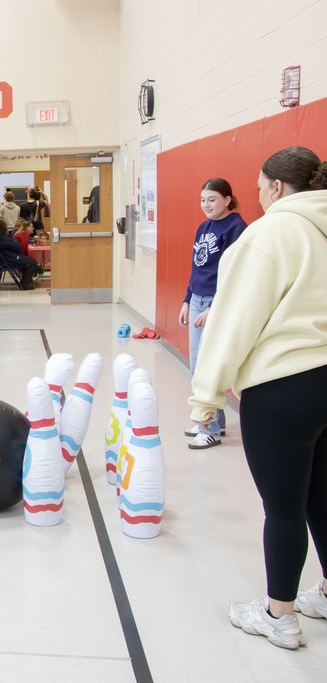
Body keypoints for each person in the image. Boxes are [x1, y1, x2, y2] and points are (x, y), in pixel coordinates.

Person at [189, 146, 327, 651]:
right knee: (321, 495)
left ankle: (280, 616)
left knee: (285, 505)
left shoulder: (268, 233)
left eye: (257, 186)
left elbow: (232, 322)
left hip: (283, 385)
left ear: (274, 187)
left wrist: (205, 397)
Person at [177, 178, 247, 450]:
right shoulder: (204, 227)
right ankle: (213, 420)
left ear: (227, 200)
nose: (206, 205)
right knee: (197, 365)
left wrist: (213, 306)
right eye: (203, 200)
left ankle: (212, 430)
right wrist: (187, 299)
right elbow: (197, 268)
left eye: (213, 199)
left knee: (208, 366)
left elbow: (234, 274)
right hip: (197, 300)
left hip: (217, 302)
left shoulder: (237, 227)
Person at [0, 220, 42, 289]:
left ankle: (30, 276)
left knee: (30, 262)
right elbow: (18, 246)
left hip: (8, 259)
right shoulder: (4, 239)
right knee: (33, 263)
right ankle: (24, 283)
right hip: (12, 259)